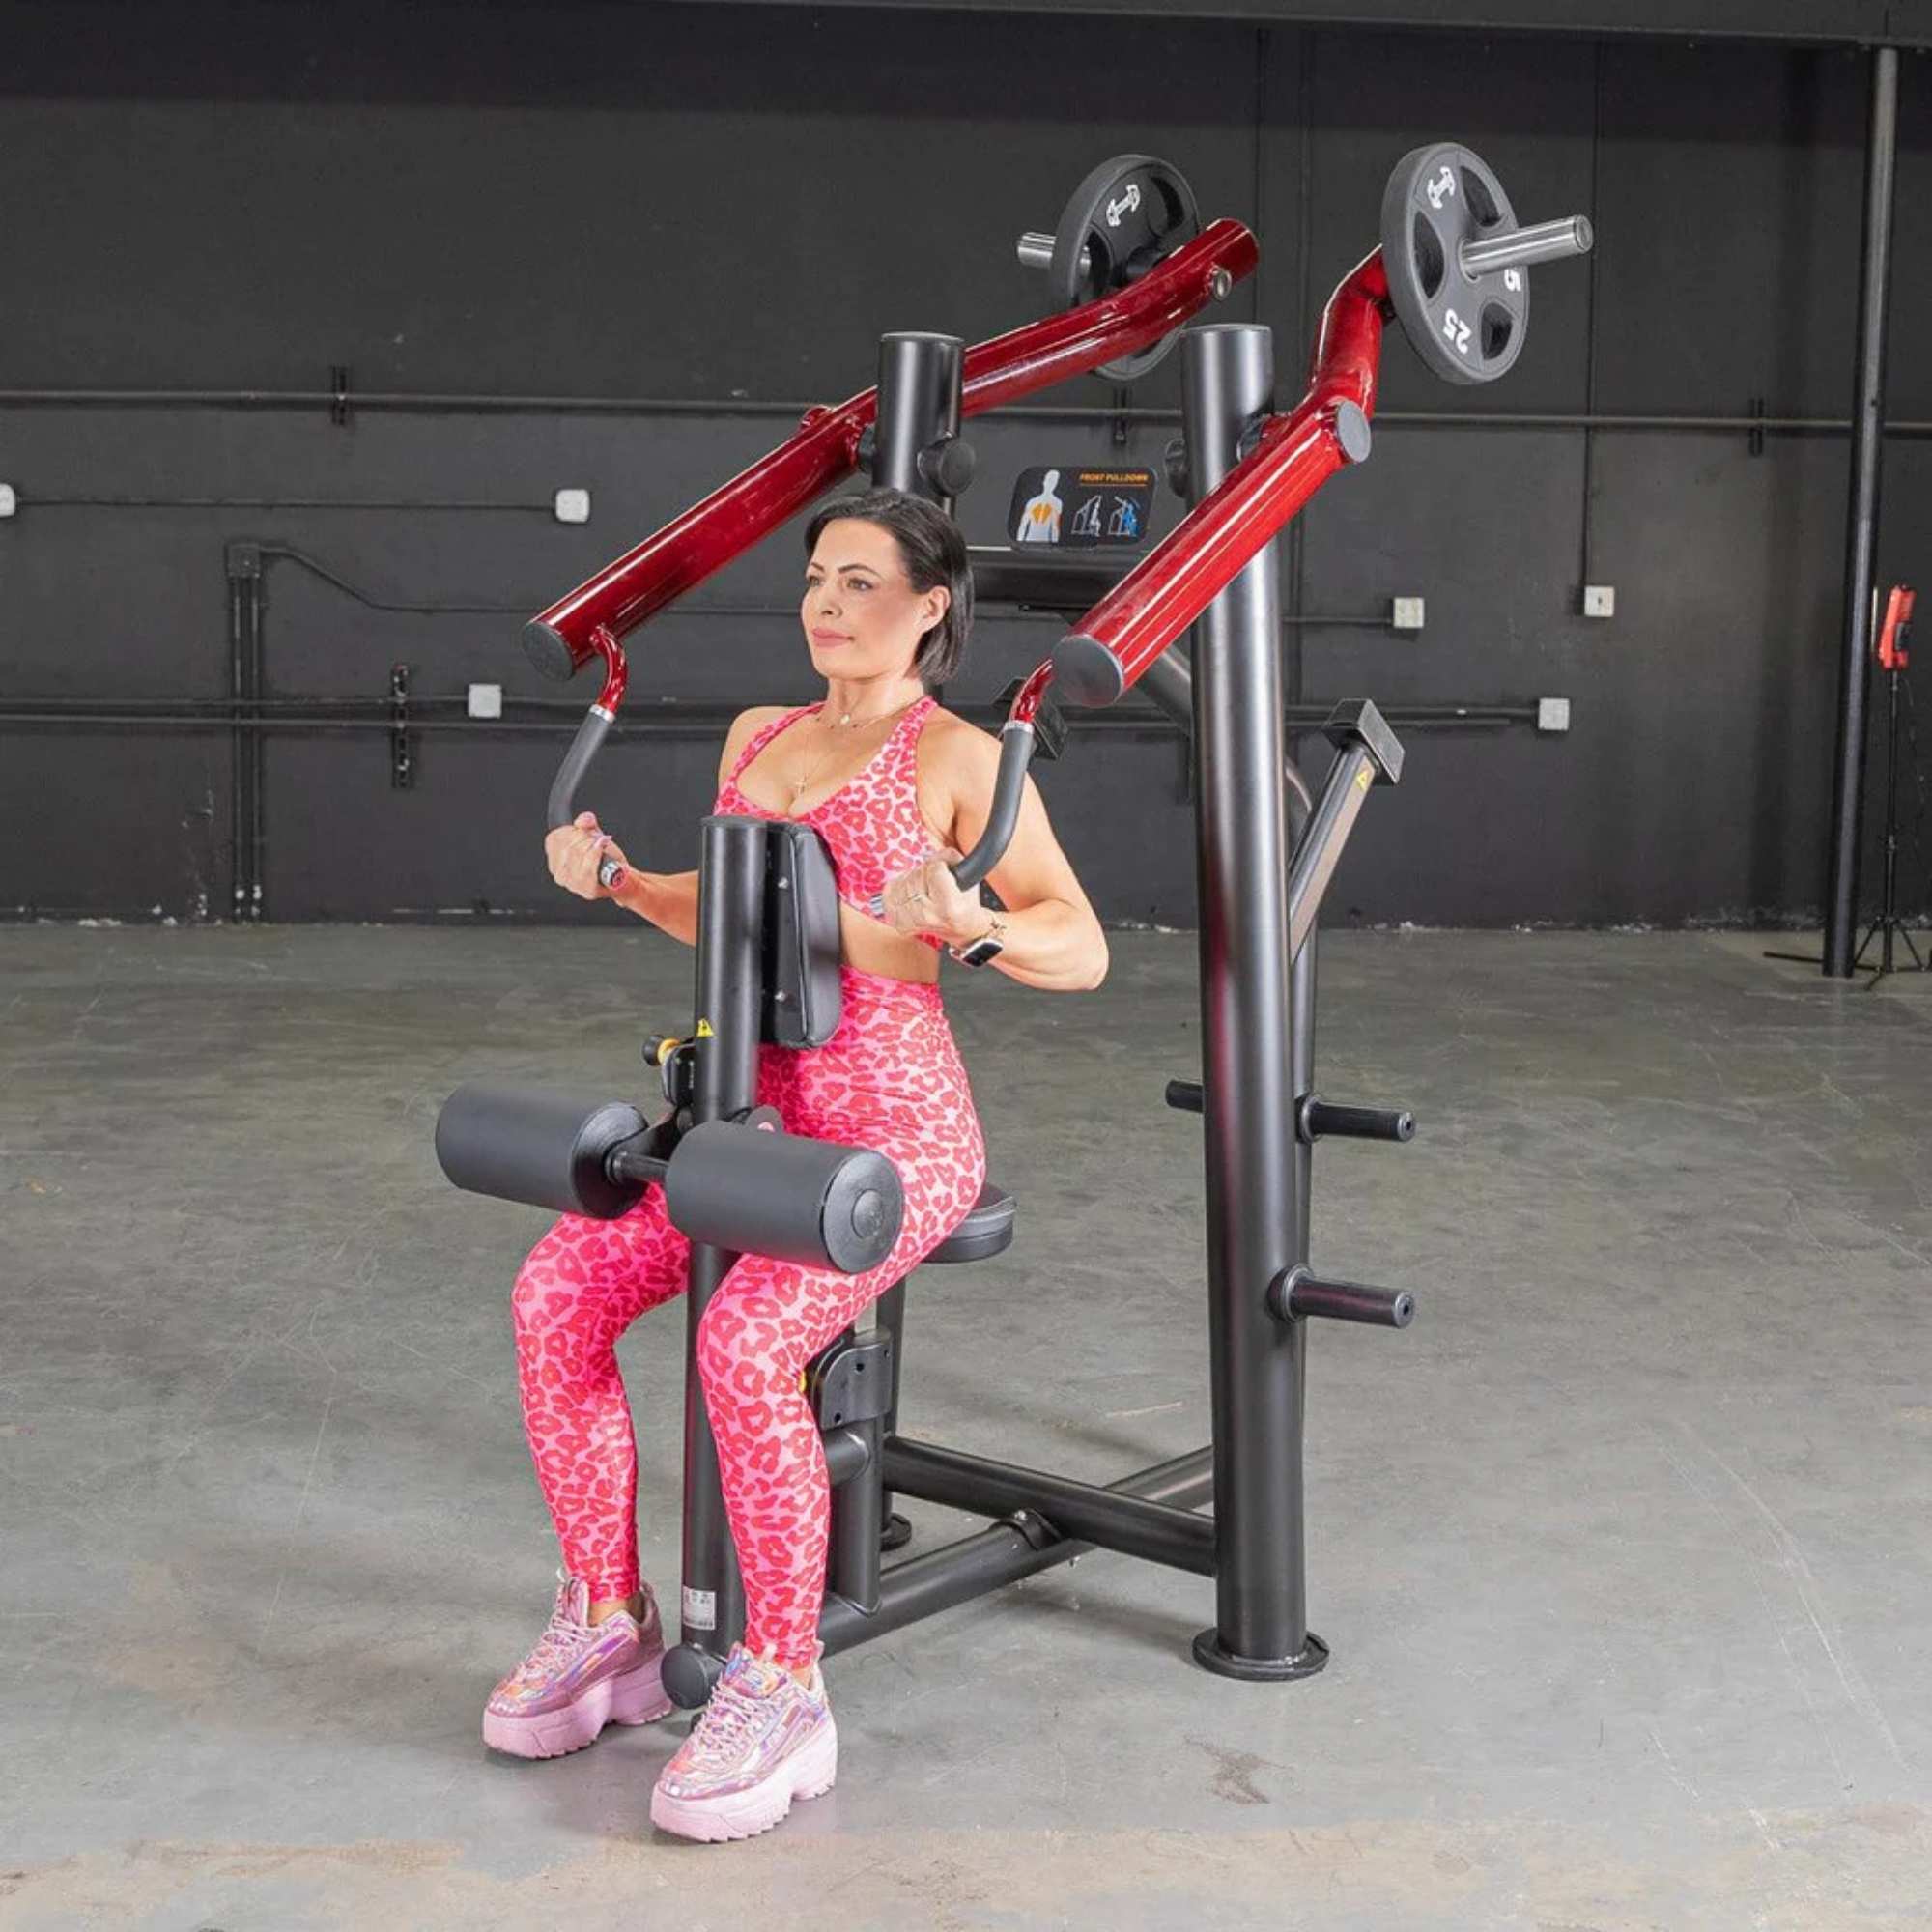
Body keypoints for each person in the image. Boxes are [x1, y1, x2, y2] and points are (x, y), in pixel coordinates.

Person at [483, 486, 1110, 1843]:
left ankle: (782, 1684)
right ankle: (609, 1621)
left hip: (894, 1130)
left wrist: (974, 931)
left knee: (749, 1345)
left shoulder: (954, 758)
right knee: (556, 1296)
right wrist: (628, 885)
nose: (831, 605)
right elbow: (737, 920)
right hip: (742, 1120)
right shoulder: (757, 735)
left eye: (865, 584)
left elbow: (1082, 940)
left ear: (931, 607)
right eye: (820, 579)